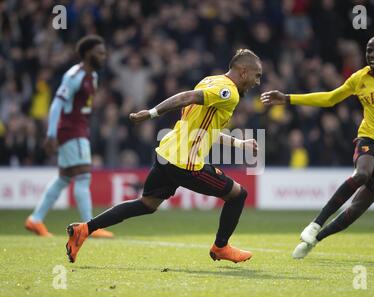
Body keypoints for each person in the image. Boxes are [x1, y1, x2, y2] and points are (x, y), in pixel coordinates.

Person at [65, 49, 262, 263]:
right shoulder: (228, 92)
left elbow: (205, 128)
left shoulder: (210, 80)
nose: (257, 82)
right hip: (185, 164)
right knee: (238, 195)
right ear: (243, 71)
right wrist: (152, 113)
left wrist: (238, 142)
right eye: (256, 75)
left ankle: (84, 229)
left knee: (146, 204)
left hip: (167, 154)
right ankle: (221, 247)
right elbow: (186, 96)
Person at [261, 35, 374, 259]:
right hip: (370, 137)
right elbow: (330, 98)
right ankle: (315, 223)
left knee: (356, 209)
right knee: (362, 174)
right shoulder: (359, 78)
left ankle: (316, 238)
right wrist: (287, 98)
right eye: (369, 51)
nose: (372, 55)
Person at [25, 35, 113, 238]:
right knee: (83, 177)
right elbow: (57, 103)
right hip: (72, 131)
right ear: (88, 53)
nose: (104, 56)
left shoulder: (93, 77)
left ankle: (35, 219)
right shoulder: (74, 76)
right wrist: (51, 134)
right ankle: (90, 227)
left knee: (63, 179)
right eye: (100, 53)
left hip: (79, 129)